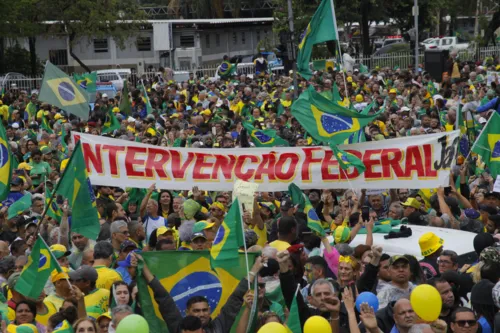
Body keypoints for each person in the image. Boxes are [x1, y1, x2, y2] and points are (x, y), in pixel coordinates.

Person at [139, 253, 266, 333]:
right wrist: (144, 268)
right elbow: (164, 299)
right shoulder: (179, 328)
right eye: (196, 311)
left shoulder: (219, 327)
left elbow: (235, 299)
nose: (202, 314)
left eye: (204, 310)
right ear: (187, 312)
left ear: (210, 310)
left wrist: (254, 270)